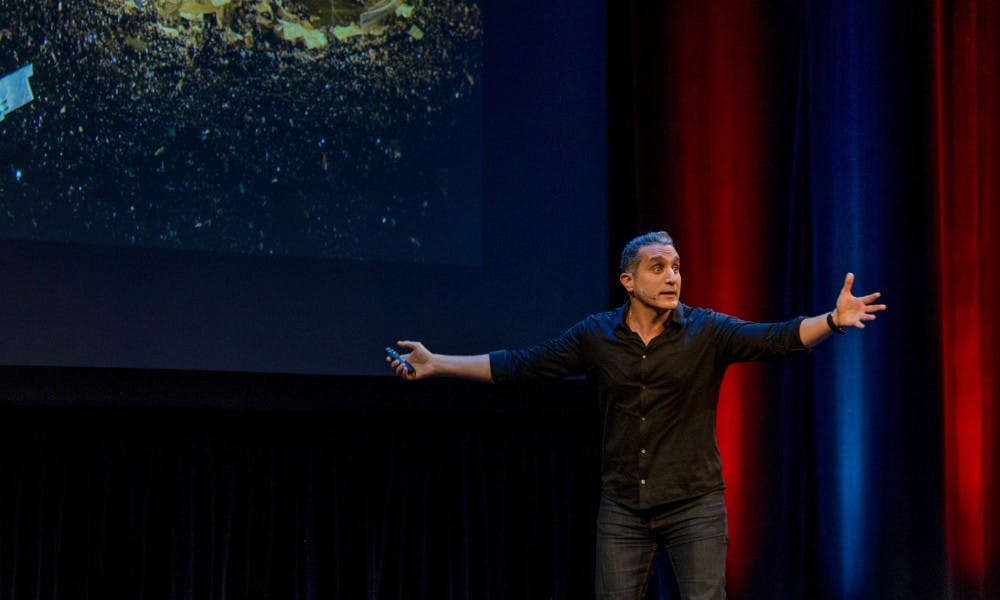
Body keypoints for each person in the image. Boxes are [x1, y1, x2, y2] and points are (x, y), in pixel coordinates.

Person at [385, 230, 886, 600]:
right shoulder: (595, 336)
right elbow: (522, 365)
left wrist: (833, 321)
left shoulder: (706, 331)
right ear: (628, 280)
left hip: (694, 506)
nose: (672, 276)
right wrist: (438, 364)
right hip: (624, 508)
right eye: (658, 267)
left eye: (676, 267)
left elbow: (775, 339)